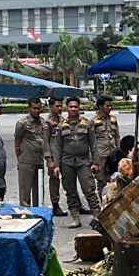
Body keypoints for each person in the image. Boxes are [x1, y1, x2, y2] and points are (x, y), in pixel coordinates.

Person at [53, 96, 100, 225]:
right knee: (70, 191)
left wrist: (96, 162)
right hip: (67, 162)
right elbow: (57, 147)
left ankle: (97, 217)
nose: (73, 109)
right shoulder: (61, 126)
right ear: (66, 108)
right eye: (70, 107)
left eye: (75, 106)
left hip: (83, 161)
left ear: (79, 108)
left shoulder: (87, 123)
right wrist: (56, 165)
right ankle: (75, 218)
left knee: (89, 188)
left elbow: (93, 144)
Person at [14, 96, 49, 207]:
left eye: (38, 108)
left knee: (39, 189)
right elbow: (17, 140)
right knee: (25, 189)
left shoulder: (43, 122)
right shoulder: (22, 123)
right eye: (34, 108)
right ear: (29, 108)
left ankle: (38, 211)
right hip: (26, 160)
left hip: (39, 160)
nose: (36, 110)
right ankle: (25, 212)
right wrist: (19, 156)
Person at [91, 96, 121, 190]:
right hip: (101, 155)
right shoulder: (93, 122)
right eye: (107, 106)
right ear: (100, 107)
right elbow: (91, 141)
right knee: (101, 181)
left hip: (113, 154)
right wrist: (93, 159)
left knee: (116, 178)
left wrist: (119, 151)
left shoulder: (113, 119)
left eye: (111, 105)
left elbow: (117, 136)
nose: (110, 108)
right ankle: (103, 201)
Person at [45, 95, 65, 216]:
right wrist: (49, 159)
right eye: (57, 106)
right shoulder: (47, 123)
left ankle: (76, 203)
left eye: (60, 106)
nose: (59, 108)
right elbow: (45, 142)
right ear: (51, 107)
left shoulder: (62, 120)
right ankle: (55, 205)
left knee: (69, 179)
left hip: (64, 154)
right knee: (55, 181)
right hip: (53, 155)